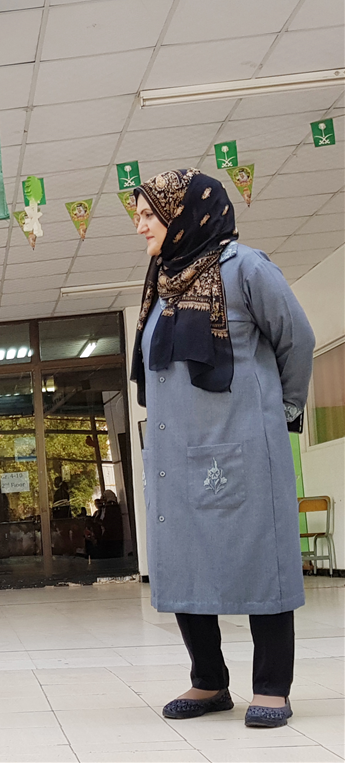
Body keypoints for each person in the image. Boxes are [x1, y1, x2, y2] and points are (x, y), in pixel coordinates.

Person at [131, 168, 315, 729]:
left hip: (243, 445)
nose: (140, 226)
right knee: (183, 560)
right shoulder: (161, 281)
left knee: (260, 558)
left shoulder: (245, 268)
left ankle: (272, 688)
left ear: (186, 212)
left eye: (148, 214)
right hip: (176, 454)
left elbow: (297, 340)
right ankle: (209, 680)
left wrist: (280, 413)